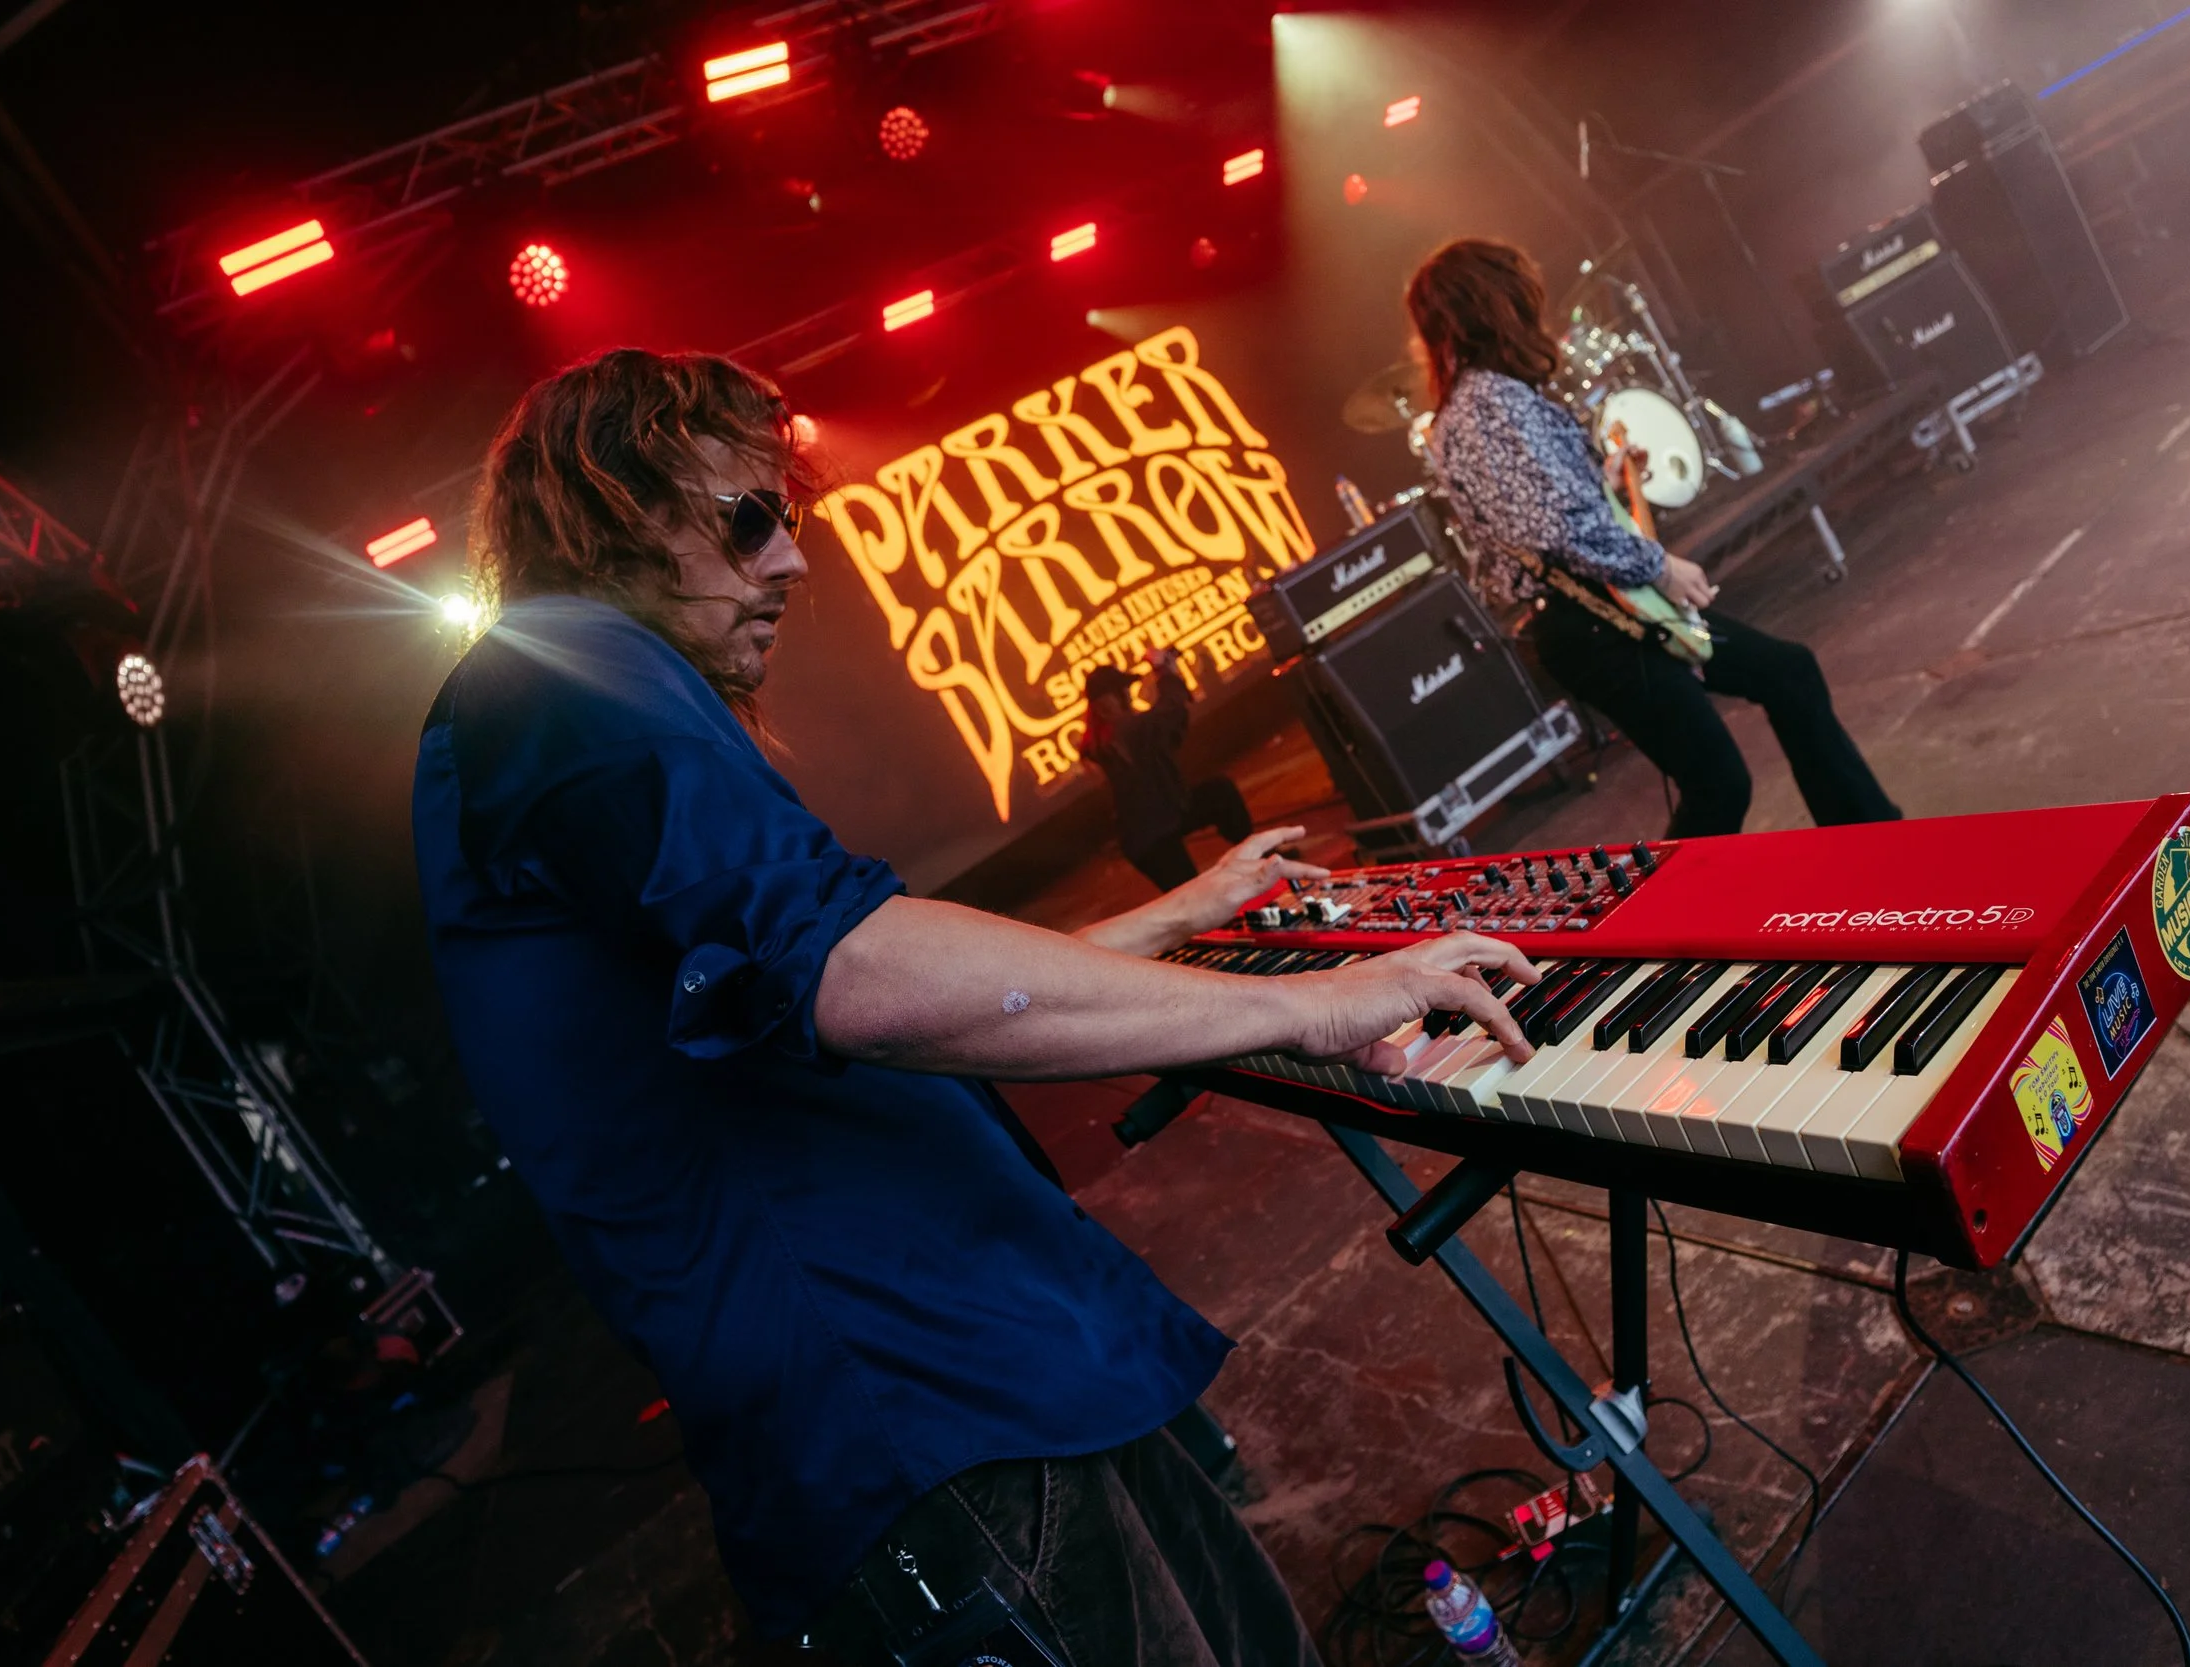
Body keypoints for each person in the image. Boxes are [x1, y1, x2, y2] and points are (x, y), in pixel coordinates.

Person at [412, 347, 1539, 1666]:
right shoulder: (559, 675)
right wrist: (1318, 1003)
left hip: (978, 1363)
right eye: (747, 518)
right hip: (910, 1392)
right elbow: (855, 975)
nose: (790, 563)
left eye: (792, 518)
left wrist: (1167, 921)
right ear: (611, 510)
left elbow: (848, 991)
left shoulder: (577, 692)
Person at [1405, 238, 1901, 839]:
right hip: (1593, 619)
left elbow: (1549, 510)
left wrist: (1604, 480)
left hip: (1604, 609)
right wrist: (1660, 566)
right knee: (1718, 782)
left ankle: (1873, 843)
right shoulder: (1490, 405)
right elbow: (1555, 530)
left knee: (1785, 676)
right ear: (1497, 305)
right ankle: (1676, 921)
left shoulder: (1482, 402)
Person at [1078, 645, 1255, 892]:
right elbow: (1168, 712)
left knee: (1220, 793)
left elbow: (1167, 732)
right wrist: (1164, 670)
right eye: (1124, 691)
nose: (1129, 695)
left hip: (1167, 816)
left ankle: (1257, 859)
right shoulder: (1121, 732)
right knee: (1195, 903)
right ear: (1111, 699)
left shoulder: (1108, 735)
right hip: (1151, 839)